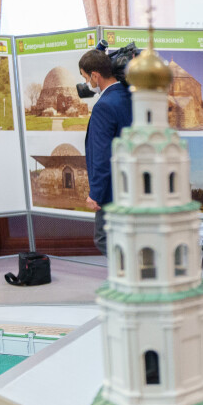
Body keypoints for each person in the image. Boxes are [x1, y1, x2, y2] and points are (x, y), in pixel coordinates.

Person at [81, 49, 132, 255]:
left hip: (112, 190)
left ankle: (129, 273)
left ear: (95, 75)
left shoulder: (104, 106)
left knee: (105, 239)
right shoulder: (130, 95)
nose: (86, 83)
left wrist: (96, 194)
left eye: (85, 78)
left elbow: (103, 155)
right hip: (133, 185)